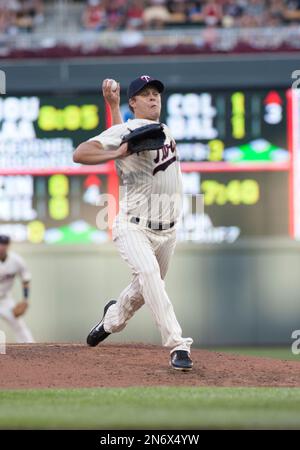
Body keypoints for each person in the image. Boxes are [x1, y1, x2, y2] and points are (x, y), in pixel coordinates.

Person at [73, 75, 193, 371]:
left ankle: (111, 319)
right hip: (133, 227)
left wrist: (112, 109)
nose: (153, 98)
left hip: (168, 231)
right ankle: (178, 345)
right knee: (150, 277)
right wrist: (117, 152)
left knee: (143, 290)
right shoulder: (128, 131)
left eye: (156, 94)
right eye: (146, 94)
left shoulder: (161, 130)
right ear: (133, 103)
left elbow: (122, 135)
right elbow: (80, 153)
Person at [0, 235, 34, 343]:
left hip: (5, 299)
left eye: (4, 244)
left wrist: (25, 299)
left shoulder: (16, 260)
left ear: (8, 245)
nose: (1, 247)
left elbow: (25, 279)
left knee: (19, 326)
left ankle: (30, 349)